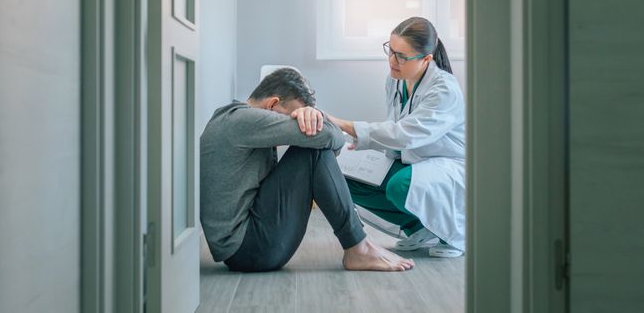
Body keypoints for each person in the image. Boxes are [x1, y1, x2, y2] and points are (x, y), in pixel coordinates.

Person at [200, 68, 415, 272]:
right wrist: (317, 116)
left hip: (246, 246)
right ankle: (358, 247)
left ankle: (359, 243)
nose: (297, 123)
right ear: (272, 105)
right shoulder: (243, 120)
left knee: (312, 148)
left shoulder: (232, 118)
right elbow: (332, 137)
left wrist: (312, 115)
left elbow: (336, 139)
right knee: (312, 151)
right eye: (294, 117)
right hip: (249, 249)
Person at [326, 17, 467, 258]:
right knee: (339, 176)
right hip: (411, 161)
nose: (392, 61)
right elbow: (396, 132)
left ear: (426, 59)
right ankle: (419, 229)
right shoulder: (395, 80)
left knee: (400, 185)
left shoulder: (444, 89)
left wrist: (345, 125)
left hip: (447, 166)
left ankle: (452, 235)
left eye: (402, 56)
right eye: (390, 51)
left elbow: (406, 134)